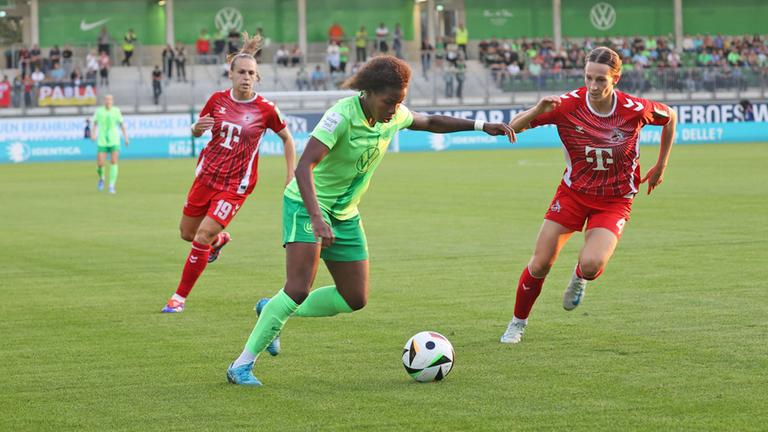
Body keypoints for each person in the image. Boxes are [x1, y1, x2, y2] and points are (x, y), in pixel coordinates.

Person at [225, 55, 516, 386]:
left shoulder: (392, 116)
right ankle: (241, 365)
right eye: (389, 101)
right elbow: (304, 165)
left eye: (400, 102)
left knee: (355, 297)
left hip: (345, 213)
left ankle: (271, 310)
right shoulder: (340, 117)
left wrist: (480, 127)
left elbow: (430, 121)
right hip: (308, 206)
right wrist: (318, 219)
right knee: (297, 288)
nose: (395, 109)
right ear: (368, 92)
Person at [499, 47, 677, 344]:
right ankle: (517, 323)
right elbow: (511, 127)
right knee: (541, 263)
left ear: (615, 79)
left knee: (593, 263)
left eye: (601, 80)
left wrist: (662, 164)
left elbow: (670, 116)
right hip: (573, 194)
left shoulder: (634, 109)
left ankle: (580, 277)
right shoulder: (566, 105)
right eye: (588, 78)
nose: (593, 87)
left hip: (615, 200)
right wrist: (537, 110)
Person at [161, 33, 297, 314]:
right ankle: (219, 240)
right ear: (231, 74)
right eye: (242, 72)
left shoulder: (266, 109)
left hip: (235, 186)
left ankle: (178, 298)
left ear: (256, 77)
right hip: (206, 178)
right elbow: (199, 128)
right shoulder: (216, 100)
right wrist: (195, 129)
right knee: (187, 233)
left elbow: (287, 138)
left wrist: (290, 173)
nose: (246, 77)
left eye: (251, 73)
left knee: (201, 237)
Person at [91, 94, 129, 194]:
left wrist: (126, 137)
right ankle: (101, 178)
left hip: (114, 140)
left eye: (110, 100)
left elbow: (121, 124)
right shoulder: (99, 111)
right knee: (100, 163)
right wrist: (93, 134)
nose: (108, 101)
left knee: (114, 161)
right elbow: (94, 123)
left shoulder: (116, 111)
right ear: (104, 101)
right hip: (102, 140)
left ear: (112, 101)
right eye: (107, 99)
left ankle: (112, 185)